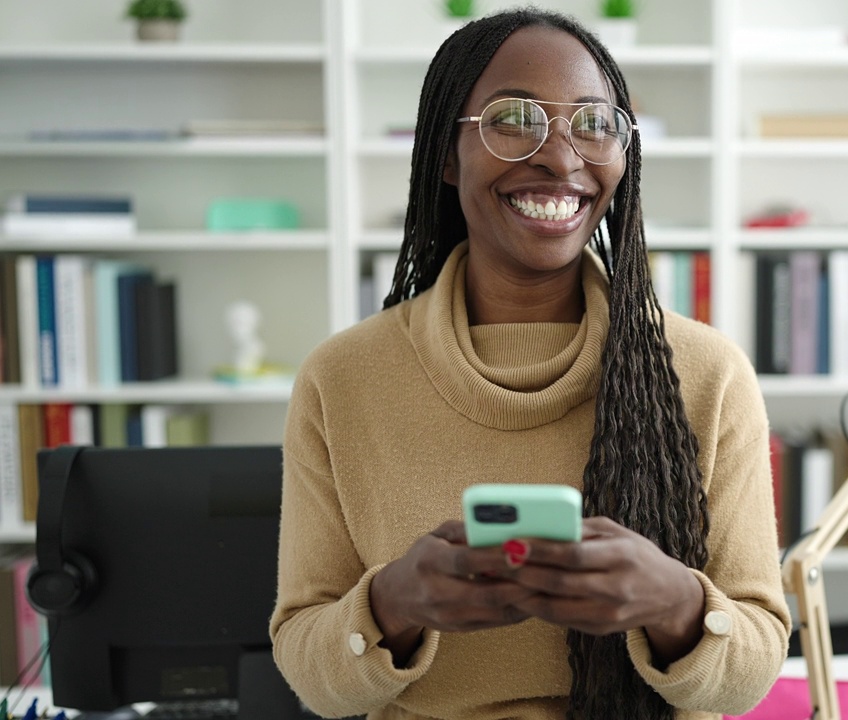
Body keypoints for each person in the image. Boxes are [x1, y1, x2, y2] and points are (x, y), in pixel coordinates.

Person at [269, 8, 789, 719]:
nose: (562, 157)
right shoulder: (344, 380)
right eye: (515, 119)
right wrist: (393, 603)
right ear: (447, 156)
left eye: (594, 123)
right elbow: (308, 669)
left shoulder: (706, 373)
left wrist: (674, 602)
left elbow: (750, 674)